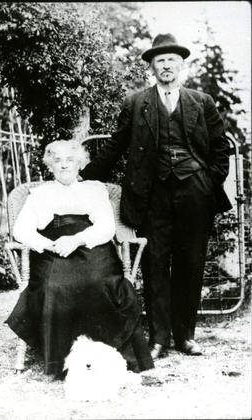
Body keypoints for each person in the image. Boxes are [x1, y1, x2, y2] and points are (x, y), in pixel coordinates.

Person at [80, 33, 232, 359]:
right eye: (160, 60)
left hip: (195, 192)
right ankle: (160, 338)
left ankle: (186, 337)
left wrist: (208, 181)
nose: (166, 66)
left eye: (171, 60)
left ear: (181, 66)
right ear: (152, 66)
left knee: (191, 263)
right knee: (155, 264)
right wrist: (85, 178)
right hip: (151, 195)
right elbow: (115, 146)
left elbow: (221, 148)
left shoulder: (201, 102)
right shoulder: (136, 103)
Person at [5, 140, 154, 377]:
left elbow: (106, 227)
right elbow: (21, 230)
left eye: (70, 160)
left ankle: (108, 353)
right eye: (58, 160)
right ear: (50, 166)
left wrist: (77, 240)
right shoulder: (39, 194)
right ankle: (61, 359)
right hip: (52, 249)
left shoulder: (94, 189)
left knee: (100, 283)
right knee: (55, 286)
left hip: (92, 245)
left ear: (80, 164)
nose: (64, 165)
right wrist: (48, 244)